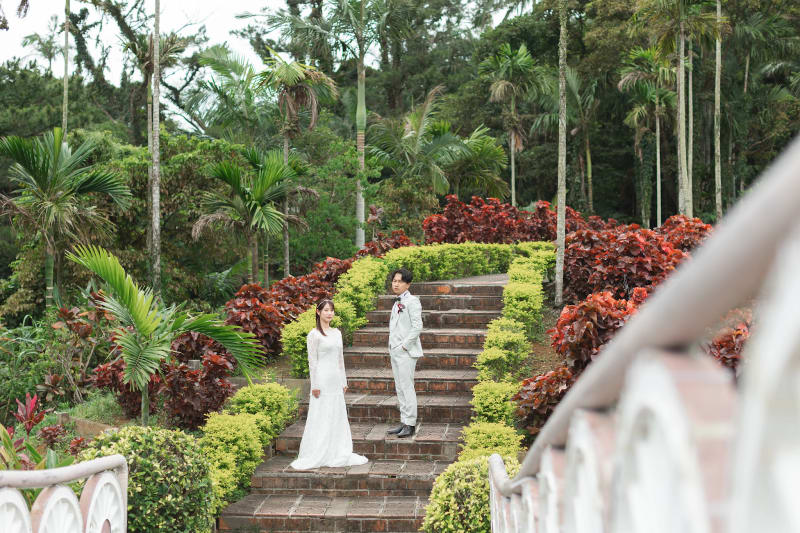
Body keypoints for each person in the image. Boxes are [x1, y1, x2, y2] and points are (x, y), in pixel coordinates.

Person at [290, 299, 368, 470]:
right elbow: (313, 362)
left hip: (335, 380)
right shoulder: (314, 335)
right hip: (322, 380)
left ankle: (337, 449)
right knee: (321, 414)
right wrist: (315, 385)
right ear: (318, 312)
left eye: (332, 310)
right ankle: (318, 451)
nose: (329, 313)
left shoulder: (337, 333)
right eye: (326, 310)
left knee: (336, 414)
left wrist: (344, 380)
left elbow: (340, 359)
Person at [386, 268, 423, 439]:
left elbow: (417, 326)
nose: (396, 284)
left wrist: (404, 347)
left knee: (407, 388)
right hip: (395, 350)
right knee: (400, 388)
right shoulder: (396, 302)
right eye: (394, 280)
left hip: (406, 352)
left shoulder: (413, 301)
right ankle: (404, 421)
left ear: (408, 284)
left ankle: (411, 424)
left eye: (400, 281)